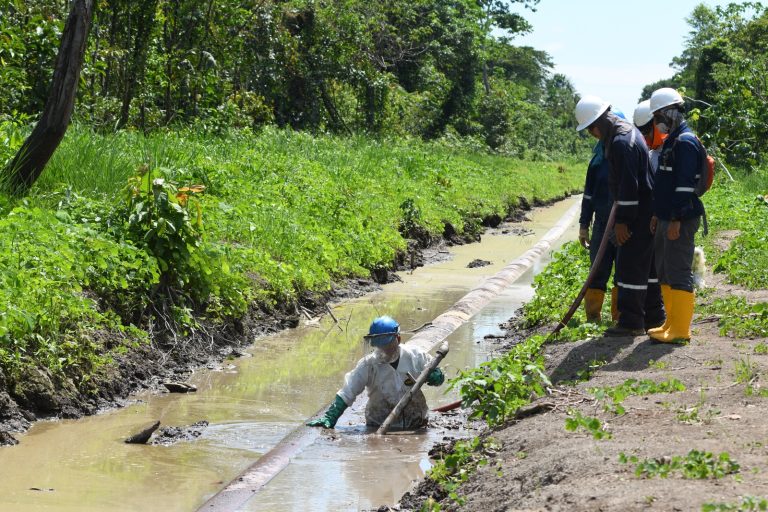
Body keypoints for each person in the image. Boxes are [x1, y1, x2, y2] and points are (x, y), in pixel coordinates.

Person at [574, 96, 665, 336]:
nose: (592, 134)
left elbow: (628, 186)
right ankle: (653, 318)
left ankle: (631, 322)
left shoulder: (620, 142)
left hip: (636, 213)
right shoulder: (628, 133)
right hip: (644, 211)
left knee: (629, 268)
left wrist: (623, 222)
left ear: (599, 122)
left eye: (591, 129)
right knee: (647, 269)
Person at [306, 316, 445, 429]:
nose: (383, 350)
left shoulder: (416, 356)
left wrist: (435, 376)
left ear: (398, 339)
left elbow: (439, 376)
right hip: (378, 424)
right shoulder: (368, 365)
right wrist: (330, 417)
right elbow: (348, 392)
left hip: (416, 423)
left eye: (387, 345)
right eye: (379, 346)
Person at [647, 88, 705, 343]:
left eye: (659, 115)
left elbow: (684, 185)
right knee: (665, 269)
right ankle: (670, 323)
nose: (657, 121)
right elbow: (665, 183)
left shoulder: (685, 142)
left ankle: (681, 329)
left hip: (680, 217)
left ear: (671, 112)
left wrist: (676, 218)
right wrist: (659, 214)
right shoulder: (672, 139)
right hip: (666, 216)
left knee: (678, 269)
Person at [578, 110, 626, 324]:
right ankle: (593, 317)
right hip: (601, 225)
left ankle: (620, 317)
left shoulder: (626, 153)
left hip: (624, 223)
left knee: (623, 272)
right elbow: (588, 196)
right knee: (597, 270)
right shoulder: (597, 161)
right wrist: (583, 225)